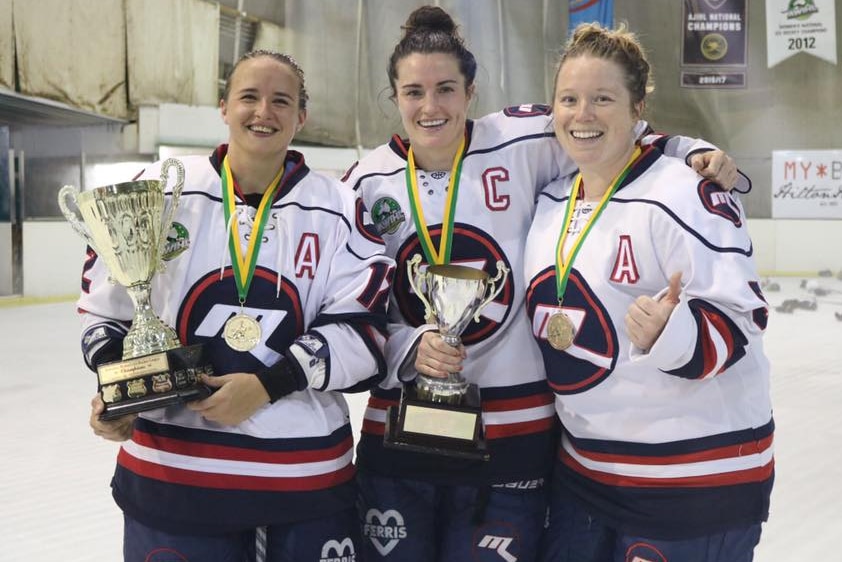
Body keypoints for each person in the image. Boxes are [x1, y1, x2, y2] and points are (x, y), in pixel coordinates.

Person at [342, 6, 746, 562]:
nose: (430, 107)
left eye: (446, 89)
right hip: (402, 434)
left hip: (517, 440)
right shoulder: (362, 182)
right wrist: (411, 346)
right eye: (413, 91)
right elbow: (349, 308)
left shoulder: (523, 137)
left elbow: (610, 133)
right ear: (393, 96)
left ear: (471, 91)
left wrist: (688, 151)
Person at [79, 50, 393, 561]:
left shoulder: (339, 208)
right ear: (223, 107)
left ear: (301, 116)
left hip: (301, 484)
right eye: (249, 97)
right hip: (172, 481)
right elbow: (104, 311)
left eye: (281, 101)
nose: (263, 112)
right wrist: (121, 392)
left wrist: (270, 384)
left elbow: (364, 333)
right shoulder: (159, 190)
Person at [524, 23, 773, 561]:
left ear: (638, 108)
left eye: (603, 99)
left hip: (692, 485)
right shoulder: (550, 200)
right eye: (569, 99)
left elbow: (743, 317)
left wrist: (674, 334)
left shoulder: (685, 191)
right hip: (585, 477)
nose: (582, 114)